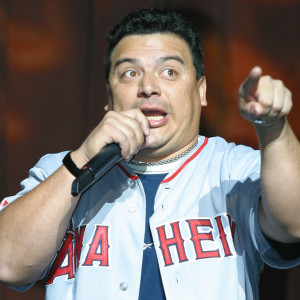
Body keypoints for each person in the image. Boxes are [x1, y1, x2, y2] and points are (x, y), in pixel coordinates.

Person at [0, 8, 299, 300]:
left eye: (169, 71)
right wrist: (82, 159)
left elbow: (293, 223)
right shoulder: (61, 169)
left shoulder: (233, 168)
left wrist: (273, 128)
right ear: (108, 96)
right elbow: (7, 263)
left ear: (202, 91)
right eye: (130, 73)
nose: (148, 87)